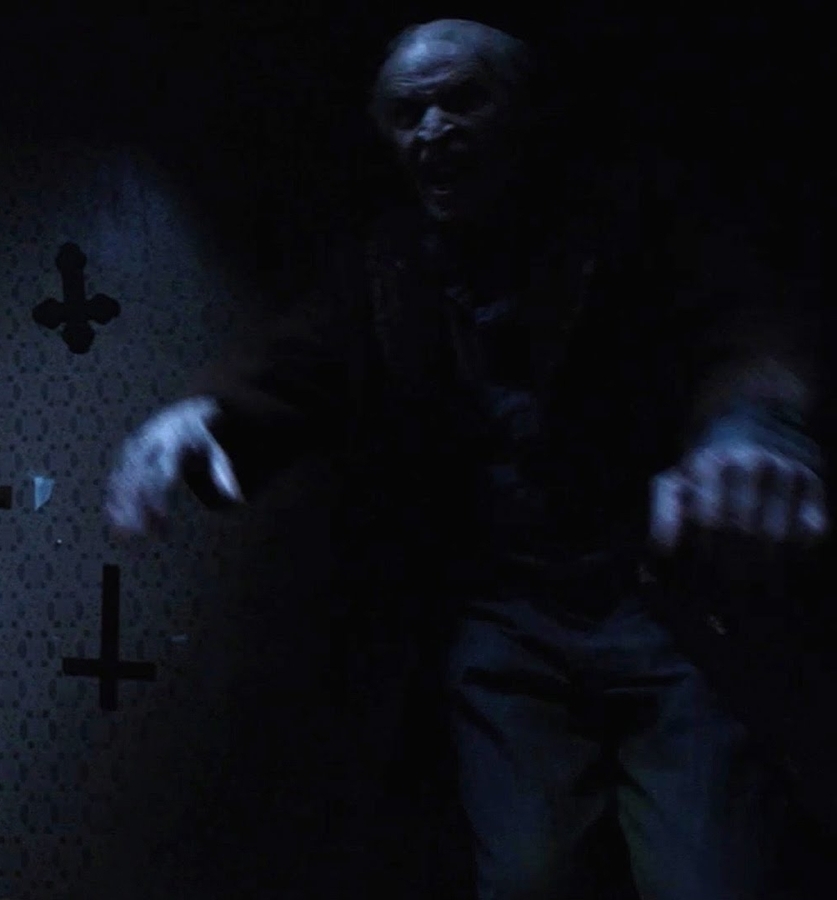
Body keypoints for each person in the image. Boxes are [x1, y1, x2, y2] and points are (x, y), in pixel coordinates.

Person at [106, 18, 829, 900]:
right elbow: (297, 361)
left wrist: (751, 432)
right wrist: (205, 416)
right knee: (525, 877)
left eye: (461, 101)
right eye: (409, 113)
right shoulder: (390, 263)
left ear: (522, 112)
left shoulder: (631, 217)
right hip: (507, 623)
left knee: (709, 876)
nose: (434, 130)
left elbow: (745, 329)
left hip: (664, 609)